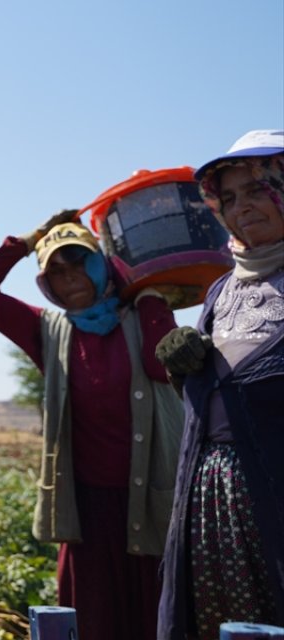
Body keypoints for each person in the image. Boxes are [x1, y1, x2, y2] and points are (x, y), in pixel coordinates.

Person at [0, 212, 182, 640]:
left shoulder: (144, 314)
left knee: (154, 621)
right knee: (92, 622)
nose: (69, 276)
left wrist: (150, 295)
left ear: (103, 265)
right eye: (55, 271)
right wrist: (27, 242)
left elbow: (160, 365)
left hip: (151, 504)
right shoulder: (49, 330)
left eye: (79, 260)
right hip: (87, 512)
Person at [155, 129, 284, 639]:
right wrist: (180, 367)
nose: (241, 207)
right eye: (228, 198)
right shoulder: (221, 290)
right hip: (209, 505)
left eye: (257, 189)